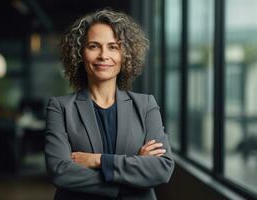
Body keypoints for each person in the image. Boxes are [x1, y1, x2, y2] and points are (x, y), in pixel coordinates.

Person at [45, 9, 174, 200]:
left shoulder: (146, 105)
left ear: (125, 54)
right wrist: (134, 172)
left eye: (113, 47)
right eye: (94, 46)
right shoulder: (60, 108)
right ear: (80, 53)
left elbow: (162, 169)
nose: (104, 55)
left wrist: (98, 160)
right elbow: (60, 172)